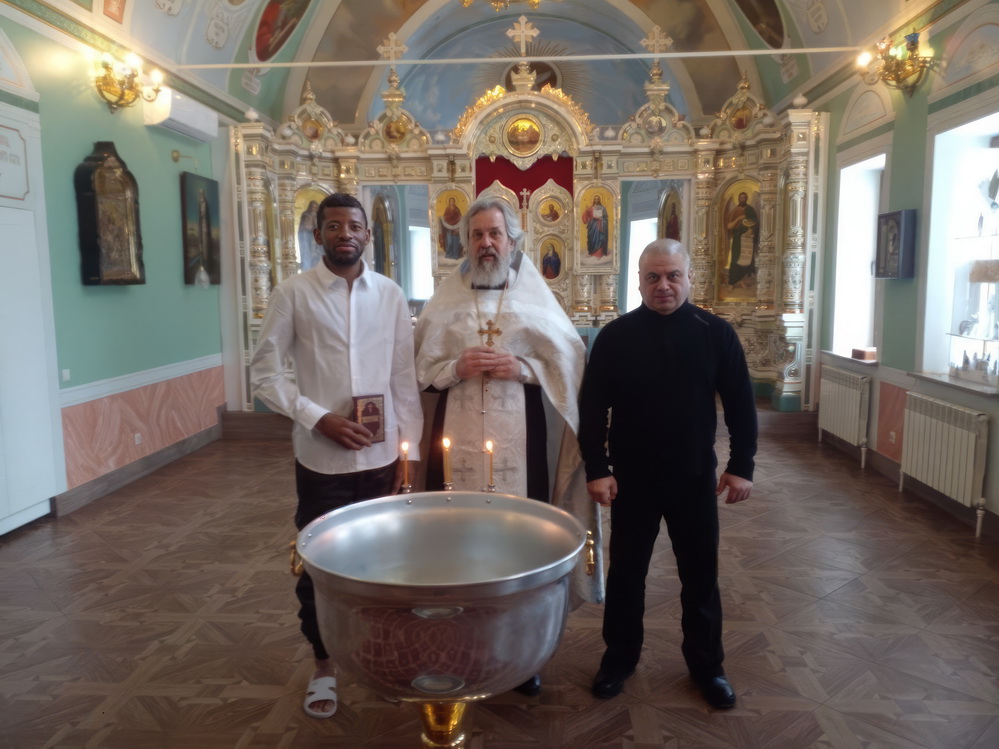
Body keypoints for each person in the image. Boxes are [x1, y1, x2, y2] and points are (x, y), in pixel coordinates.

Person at [414, 195, 604, 696]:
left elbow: (569, 362)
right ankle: (460, 642)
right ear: (465, 242)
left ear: (514, 241)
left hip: (521, 444)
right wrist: (455, 367)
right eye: (477, 235)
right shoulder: (445, 302)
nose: (486, 243)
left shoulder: (535, 299)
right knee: (454, 540)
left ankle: (521, 653)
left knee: (521, 542)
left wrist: (523, 367)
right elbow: (419, 371)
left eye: (495, 234)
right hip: (454, 444)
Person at [250, 193, 423, 720]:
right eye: (333, 225)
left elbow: (402, 378)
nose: (344, 233)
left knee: (387, 562)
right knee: (320, 564)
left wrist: (411, 452)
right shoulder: (293, 293)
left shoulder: (390, 294)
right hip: (321, 459)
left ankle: (380, 655)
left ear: (367, 234)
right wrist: (316, 416)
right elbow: (264, 373)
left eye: (354, 225)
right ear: (318, 234)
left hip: (381, 458)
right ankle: (324, 664)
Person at [578, 238, 757, 710]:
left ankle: (708, 666)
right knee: (626, 575)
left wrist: (741, 466)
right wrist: (597, 468)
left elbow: (741, 404)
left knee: (700, 577)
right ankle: (619, 659)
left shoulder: (715, 332)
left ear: (689, 277)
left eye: (673, 275)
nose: (663, 285)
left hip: (694, 478)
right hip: (632, 480)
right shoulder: (615, 337)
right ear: (639, 282)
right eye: (653, 277)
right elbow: (592, 408)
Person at [725, 191, 759, 288]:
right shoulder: (735, 210)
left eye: (744, 197)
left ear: (746, 199)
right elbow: (729, 225)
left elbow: (755, 222)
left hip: (747, 238)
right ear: (738, 199)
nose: (742, 199)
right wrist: (739, 218)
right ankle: (734, 281)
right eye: (741, 198)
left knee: (747, 259)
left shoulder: (750, 209)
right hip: (737, 238)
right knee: (735, 259)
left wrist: (749, 225)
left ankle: (743, 280)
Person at [582, 194, 610, 258]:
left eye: (597, 199)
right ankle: (591, 252)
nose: (596, 200)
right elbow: (586, 215)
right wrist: (586, 211)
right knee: (591, 238)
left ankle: (599, 254)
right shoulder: (591, 208)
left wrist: (601, 218)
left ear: (599, 200)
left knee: (599, 239)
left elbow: (606, 218)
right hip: (592, 225)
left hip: (600, 226)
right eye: (595, 199)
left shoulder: (603, 208)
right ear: (593, 200)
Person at [297, 200, 322, 271]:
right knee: (308, 252)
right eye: (312, 207)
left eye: (315, 207)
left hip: (316, 239)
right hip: (307, 236)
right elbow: (304, 227)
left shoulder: (318, 216)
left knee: (317, 252)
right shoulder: (306, 215)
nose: (313, 208)